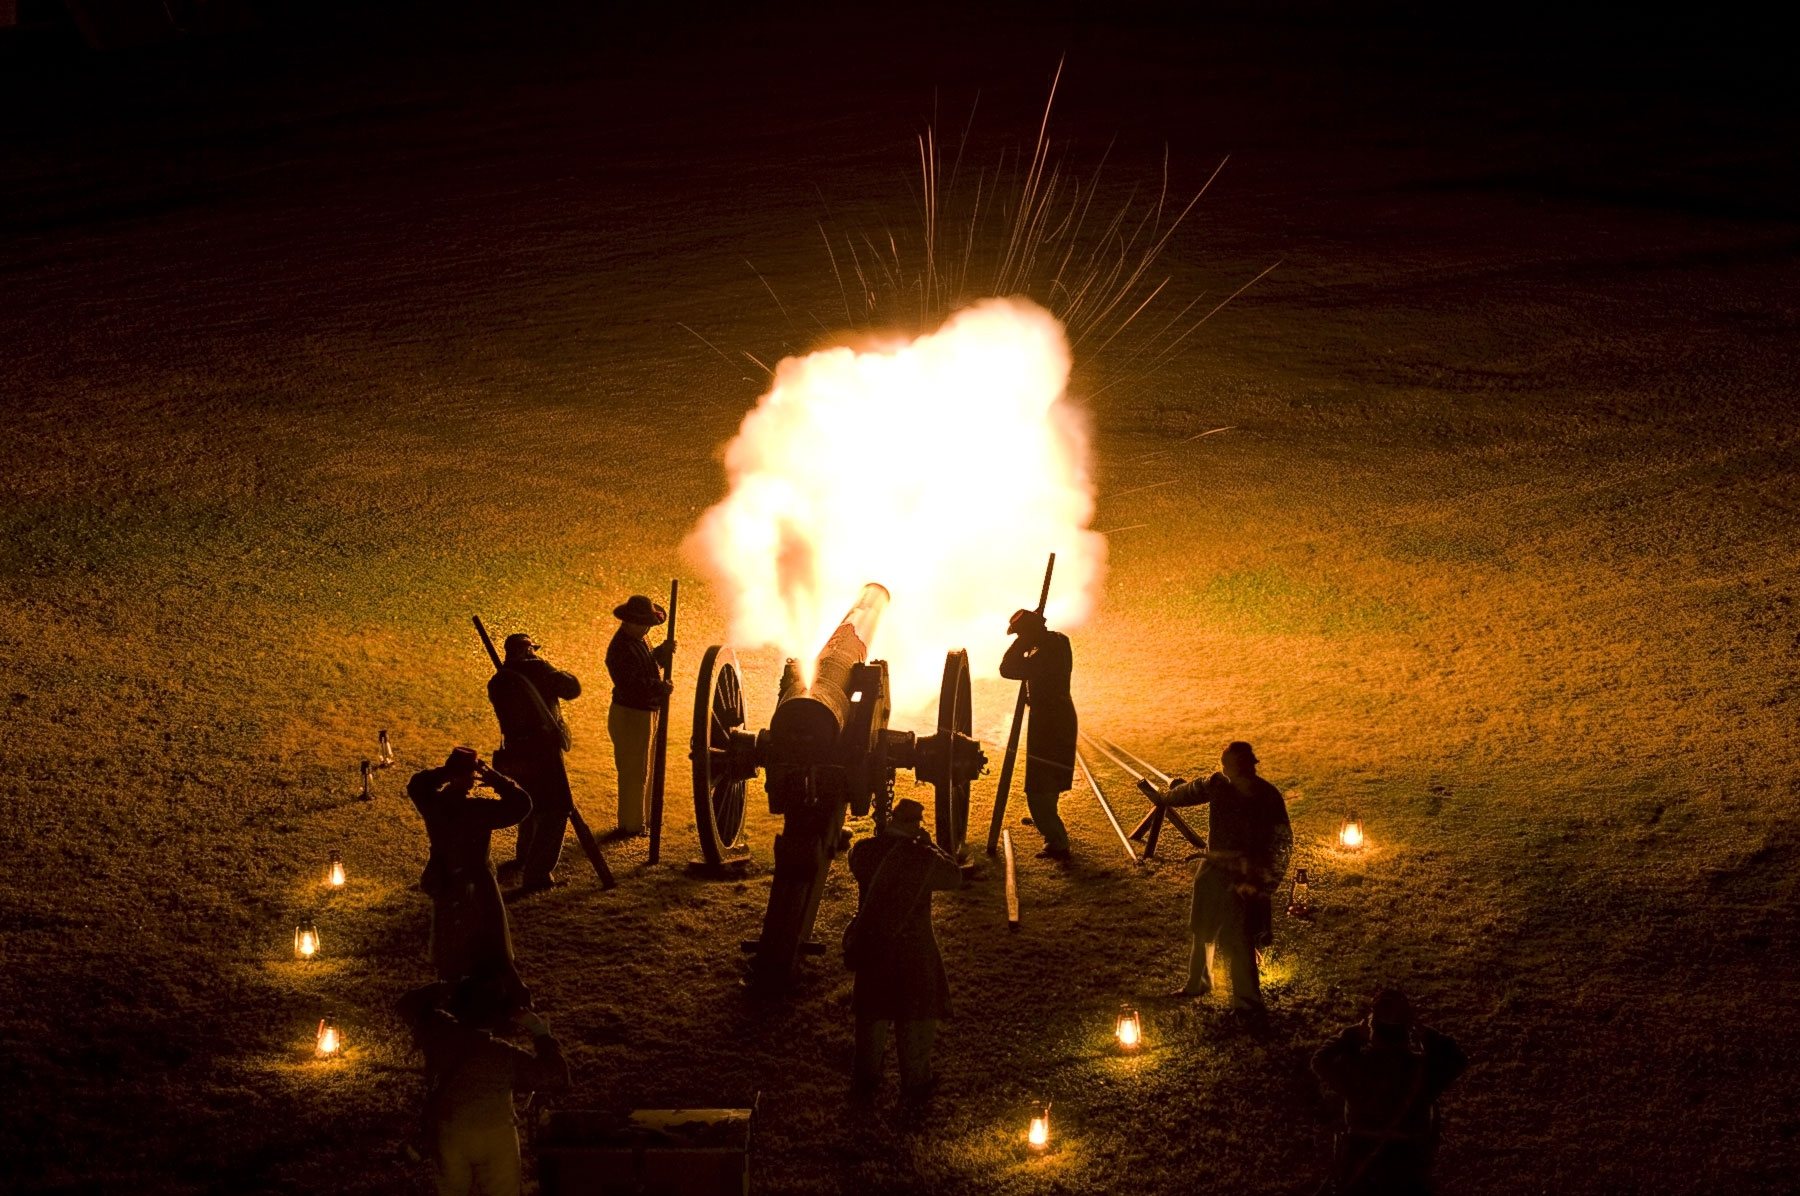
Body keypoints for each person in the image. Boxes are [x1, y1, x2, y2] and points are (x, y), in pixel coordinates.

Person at [1144, 740, 1291, 1020]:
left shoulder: (1268, 797)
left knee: (1241, 938)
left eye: (1229, 765)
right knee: (1202, 927)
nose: (1225, 770)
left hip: (1246, 874)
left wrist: (1264, 882)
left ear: (1245, 766)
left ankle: (1247, 1002)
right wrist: (1165, 797)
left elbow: (1281, 841)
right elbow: (1189, 791)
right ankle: (1198, 982)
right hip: (1214, 869)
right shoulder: (1218, 785)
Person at [398, 973, 571, 1196]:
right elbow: (557, 1076)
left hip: (449, 1133)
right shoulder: (505, 1055)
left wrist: (452, 985)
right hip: (496, 1136)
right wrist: (539, 1031)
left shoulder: (437, 1033)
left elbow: (407, 1004)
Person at [846, 798, 963, 1105]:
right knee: (916, 1020)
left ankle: (865, 1081)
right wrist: (931, 845)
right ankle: (916, 1083)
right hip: (915, 952)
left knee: (871, 1018)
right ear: (915, 825)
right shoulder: (924, 858)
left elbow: (855, 862)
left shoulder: (864, 852)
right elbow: (954, 876)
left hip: (875, 948)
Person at [1311, 989, 1468, 1195]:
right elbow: (1458, 1058)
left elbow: (1320, 1060)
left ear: (1371, 1027)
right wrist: (1425, 1033)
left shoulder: (1356, 1067)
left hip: (1361, 1147)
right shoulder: (1421, 1071)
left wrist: (1351, 1034)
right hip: (1411, 1149)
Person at [409, 747, 531, 991]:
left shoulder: (434, 804)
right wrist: (494, 777)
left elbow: (417, 784)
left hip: (445, 876)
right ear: (471, 778)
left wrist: (446, 772)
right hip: (479, 881)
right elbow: (522, 805)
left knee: (450, 940)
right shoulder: (477, 810)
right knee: (490, 940)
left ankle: (453, 984)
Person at [489, 631, 581, 891]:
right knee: (556, 809)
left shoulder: (498, 681)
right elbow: (572, 689)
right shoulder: (539, 670)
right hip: (543, 752)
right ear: (528, 650)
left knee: (529, 804)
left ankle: (524, 856)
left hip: (516, 750)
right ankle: (538, 874)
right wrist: (552, 669)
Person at [998, 608, 1077, 860]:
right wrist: (1030, 636)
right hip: (1052, 717)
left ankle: (1057, 840)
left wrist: (1023, 641)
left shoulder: (1046, 653)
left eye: (1020, 634)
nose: (1019, 638)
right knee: (1047, 777)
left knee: (1039, 784)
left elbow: (1007, 668)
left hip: (1050, 721)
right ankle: (1048, 821)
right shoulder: (1056, 642)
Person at [604, 594, 674, 837]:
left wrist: (661, 654)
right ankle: (631, 824)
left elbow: (647, 665)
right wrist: (659, 687)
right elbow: (630, 683)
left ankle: (646, 817)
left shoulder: (638, 639)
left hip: (645, 712)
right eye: (643, 623)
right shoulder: (619, 649)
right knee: (634, 772)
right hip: (631, 714)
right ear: (629, 622)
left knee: (646, 768)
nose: (647, 628)